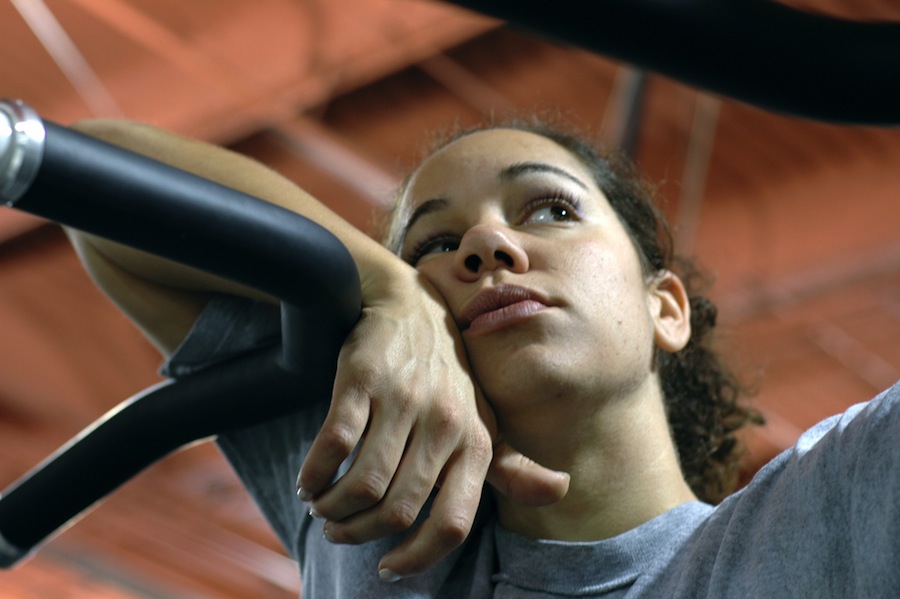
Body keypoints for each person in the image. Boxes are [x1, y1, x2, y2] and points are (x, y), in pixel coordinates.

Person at [66, 117, 898, 597]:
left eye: (550, 209)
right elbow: (87, 178)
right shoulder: (374, 502)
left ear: (664, 306)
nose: (487, 243)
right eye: (434, 242)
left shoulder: (830, 508)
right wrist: (379, 290)